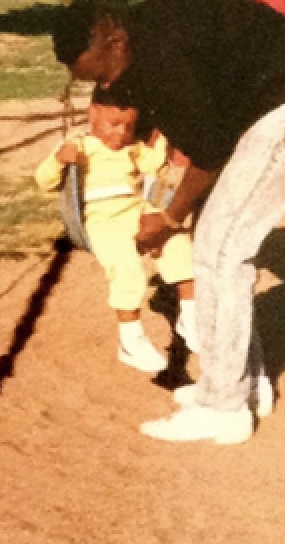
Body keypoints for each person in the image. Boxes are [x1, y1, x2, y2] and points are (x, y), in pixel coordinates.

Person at [51, 0, 285, 445]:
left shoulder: (164, 53)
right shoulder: (144, 40)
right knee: (217, 245)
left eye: (105, 74)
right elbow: (196, 129)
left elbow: (210, 149)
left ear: (113, 39)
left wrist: (170, 216)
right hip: (274, 105)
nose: (107, 86)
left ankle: (226, 409)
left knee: (222, 249)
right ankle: (242, 385)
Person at [35, 91, 198, 375]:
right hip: (102, 219)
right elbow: (44, 181)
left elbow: (155, 167)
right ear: (93, 116)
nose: (121, 133)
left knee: (179, 245)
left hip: (135, 209)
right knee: (127, 267)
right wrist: (61, 161)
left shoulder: (132, 148)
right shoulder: (80, 146)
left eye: (129, 126)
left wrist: (161, 141)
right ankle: (130, 339)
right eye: (114, 124)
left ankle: (192, 316)